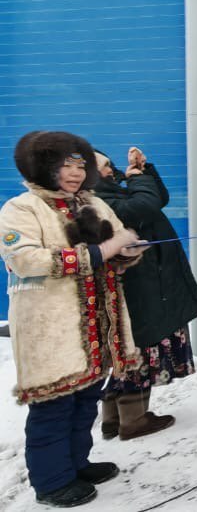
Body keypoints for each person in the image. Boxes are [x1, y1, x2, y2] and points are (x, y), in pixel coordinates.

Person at [0, 131, 145, 507]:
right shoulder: (22, 208)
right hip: (53, 328)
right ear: (43, 167)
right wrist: (99, 252)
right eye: (65, 166)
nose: (75, 174)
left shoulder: (91, 203)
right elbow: (26, 259)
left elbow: (116, 244)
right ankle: (51, 482)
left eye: (80, 166)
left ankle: (77, 464)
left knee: (85, 401)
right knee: (54, 407)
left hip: (98, 325)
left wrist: (126, 250)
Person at [93, 148, 197, 440]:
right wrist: (138, 179)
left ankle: (113, 418)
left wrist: (144, 171)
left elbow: (158, 199)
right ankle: (134, 420)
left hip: (150, 278)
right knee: (138, 346)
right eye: (106, 166)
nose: (111, 170)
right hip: (139, 284)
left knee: (136, 345)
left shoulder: (116, 190)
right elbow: (144, 205)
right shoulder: (99, 200)